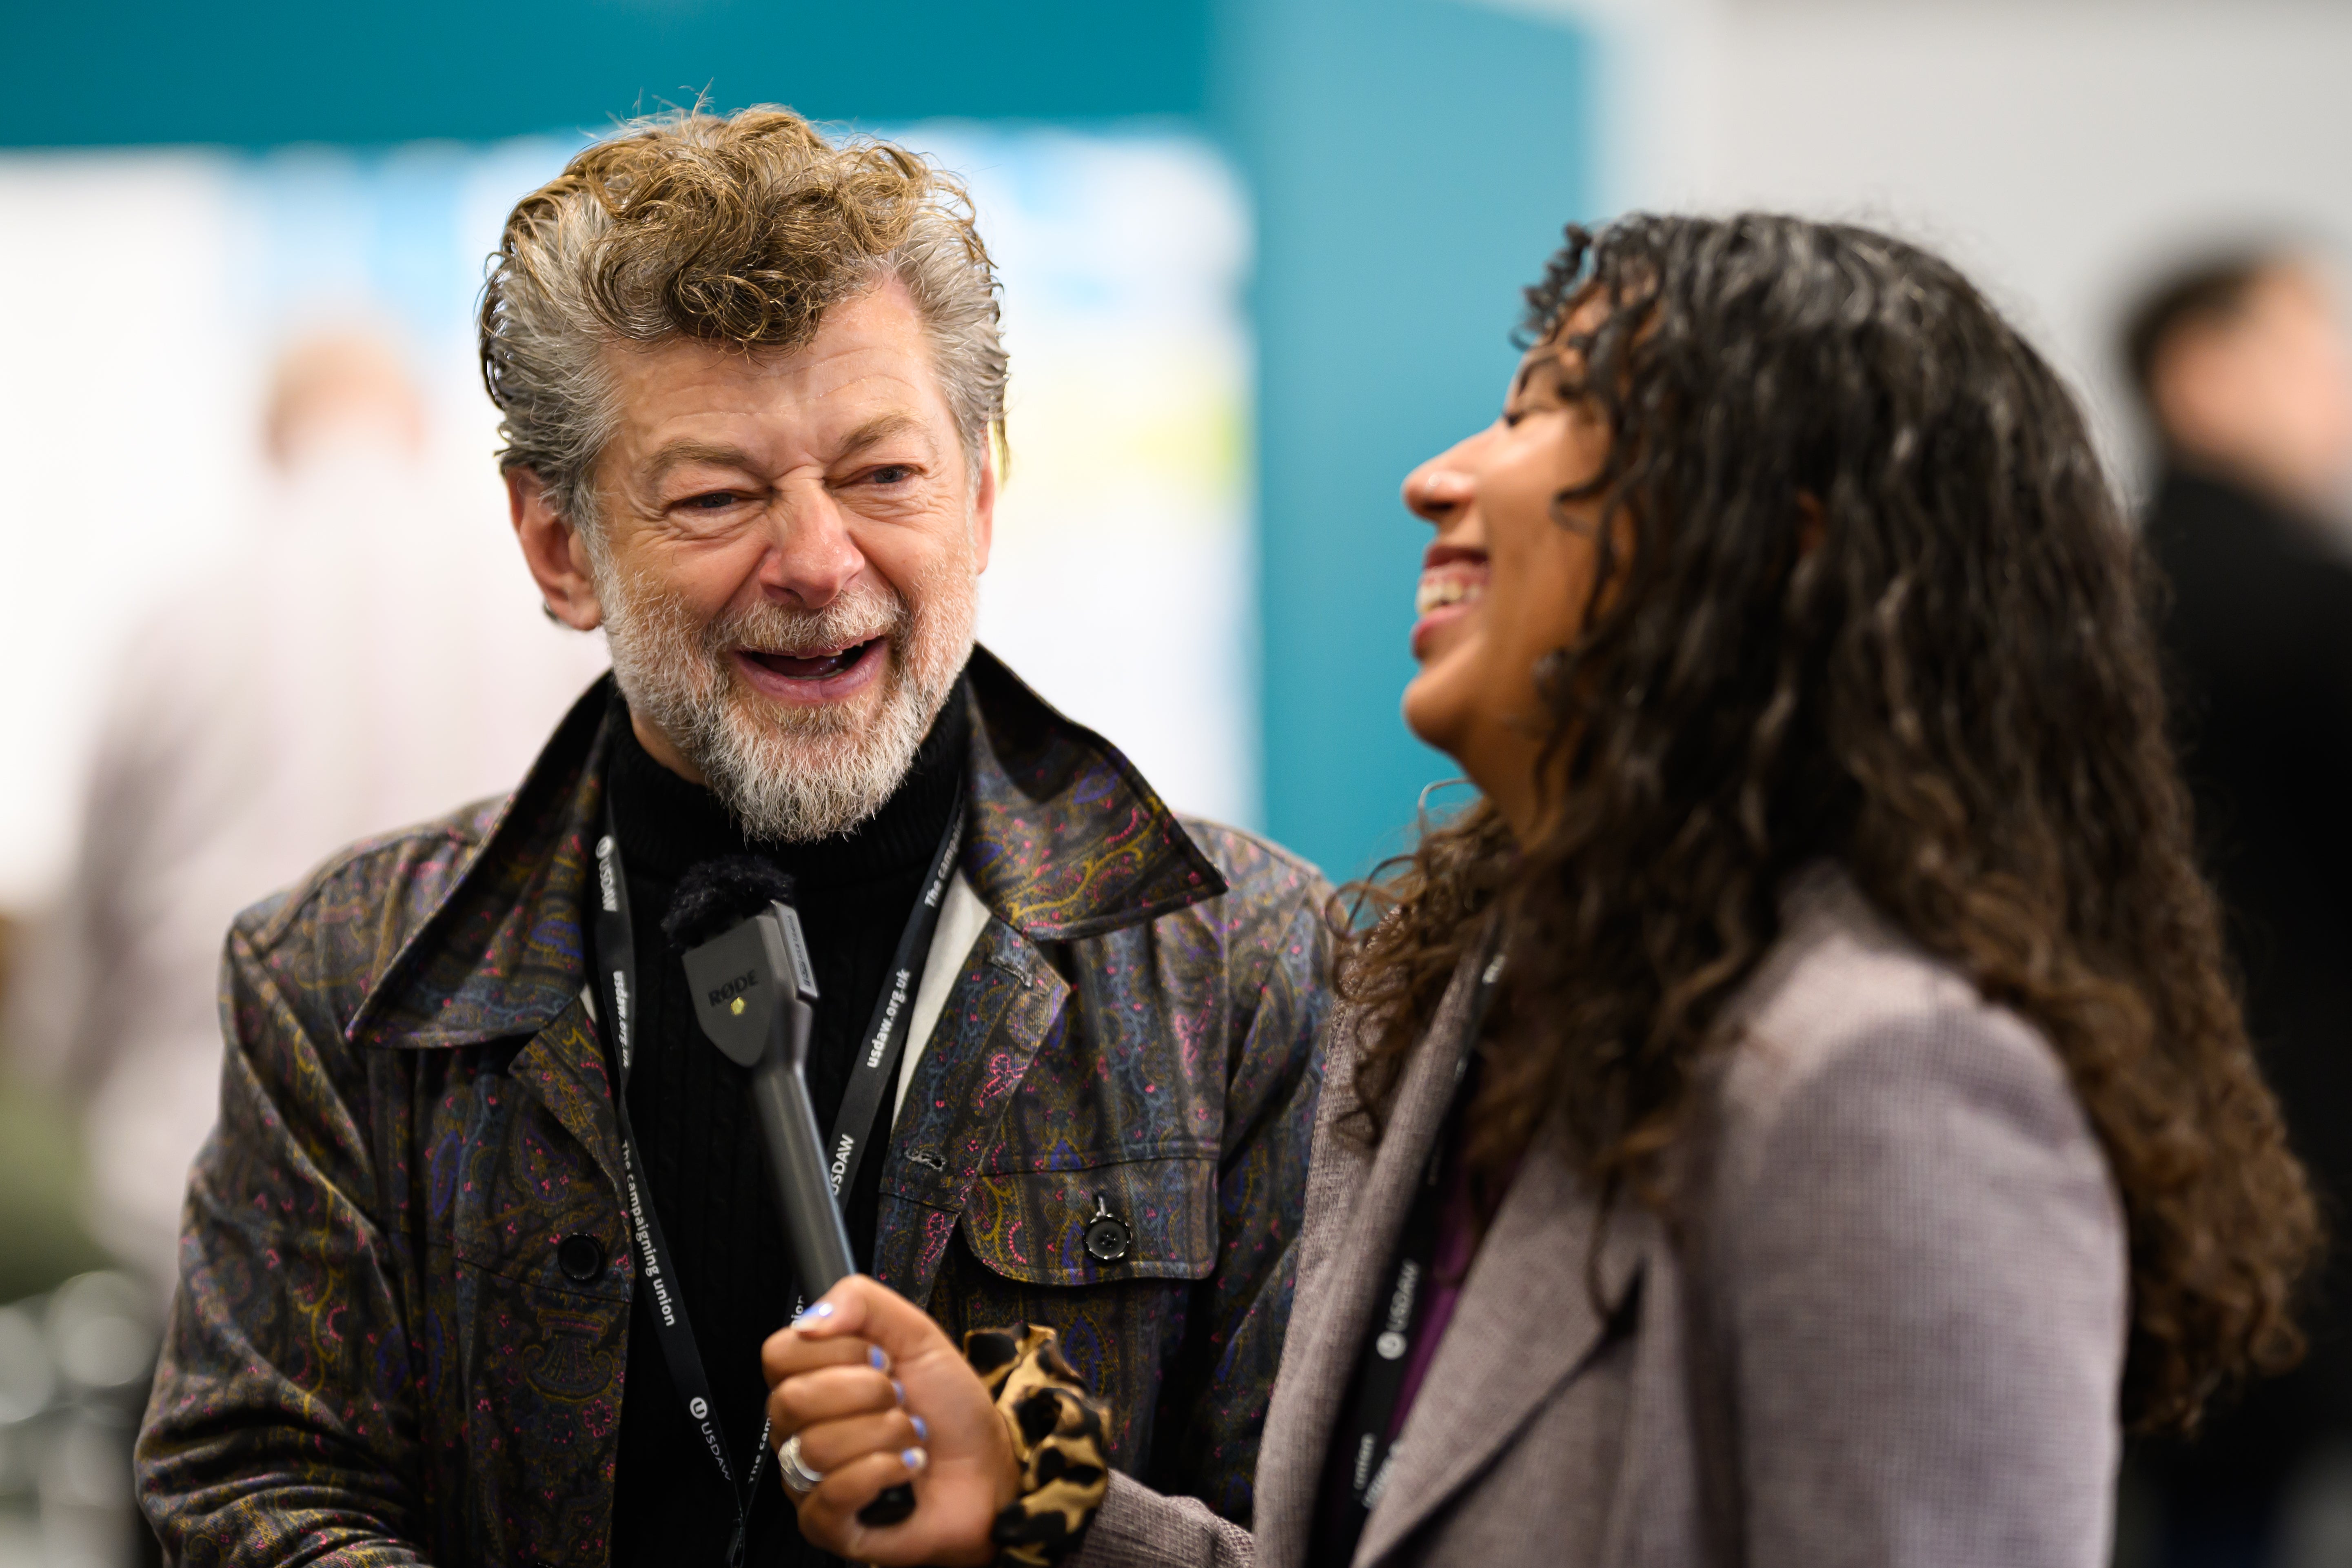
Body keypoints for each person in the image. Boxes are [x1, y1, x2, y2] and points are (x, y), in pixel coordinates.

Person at [762, 214, 2319, 1568]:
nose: (1438, 477)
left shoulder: (1885, 1077)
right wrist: (1040, 1499)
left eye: (1552, 412)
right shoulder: (1458, 1008)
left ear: (1781, 543)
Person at [133, 108, 1331, 1567]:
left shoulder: (1241, 971)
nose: (821, 563)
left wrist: (1043, 1511)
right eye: (716, 496)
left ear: (981, 494)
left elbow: (1329, 1532)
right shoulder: (344, 980)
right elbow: (250, 1486)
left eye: (885, 476)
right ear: (559, 546)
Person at [5, 327, 607, 1295]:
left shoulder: (176, 617)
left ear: (271, 439)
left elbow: (87, 936)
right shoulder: (551, 605)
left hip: (209, 1179)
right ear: (415, 425)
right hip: (498, 1182)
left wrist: (65, 1065)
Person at [2127, 248, 2352, 1564]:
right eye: (2309, 344)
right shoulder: (2308, 610)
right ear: (2200, 375)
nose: (2336, 384)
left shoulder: (2073, 597)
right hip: (2296, 1159)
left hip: (2112, 1147)